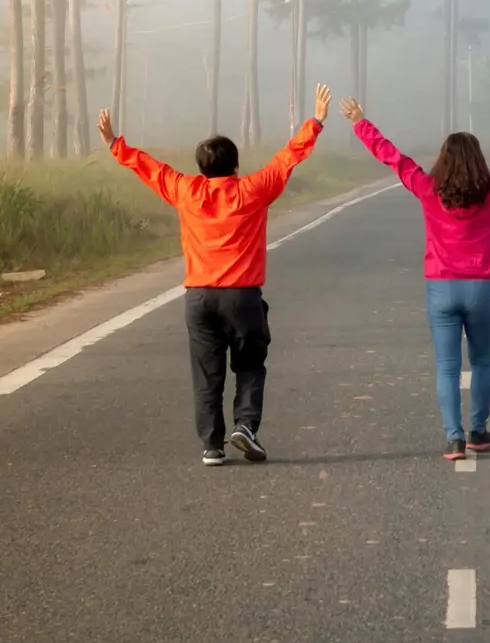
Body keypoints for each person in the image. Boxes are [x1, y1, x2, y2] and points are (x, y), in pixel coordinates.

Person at [97, 85, 331, 468]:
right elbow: (287, 159)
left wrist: (114, 144)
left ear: (201, 169)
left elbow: (150, 168)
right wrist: (316, 120)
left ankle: (212, 446)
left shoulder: (186, 191)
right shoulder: (252, 191)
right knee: (251, 364)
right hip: (242, 296)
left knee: (207, 373)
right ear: (236, 166)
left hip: (199, 298)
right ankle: (246, 426)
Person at [340, 90, 490, 460]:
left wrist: (360, 124)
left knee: (448, 367)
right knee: (481, 361)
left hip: (441, 287)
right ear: (479, 160)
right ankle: (478, 431)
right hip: (483, 287)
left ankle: (454, 438)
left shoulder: (428, 189)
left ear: (444, 161)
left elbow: (394, 158)